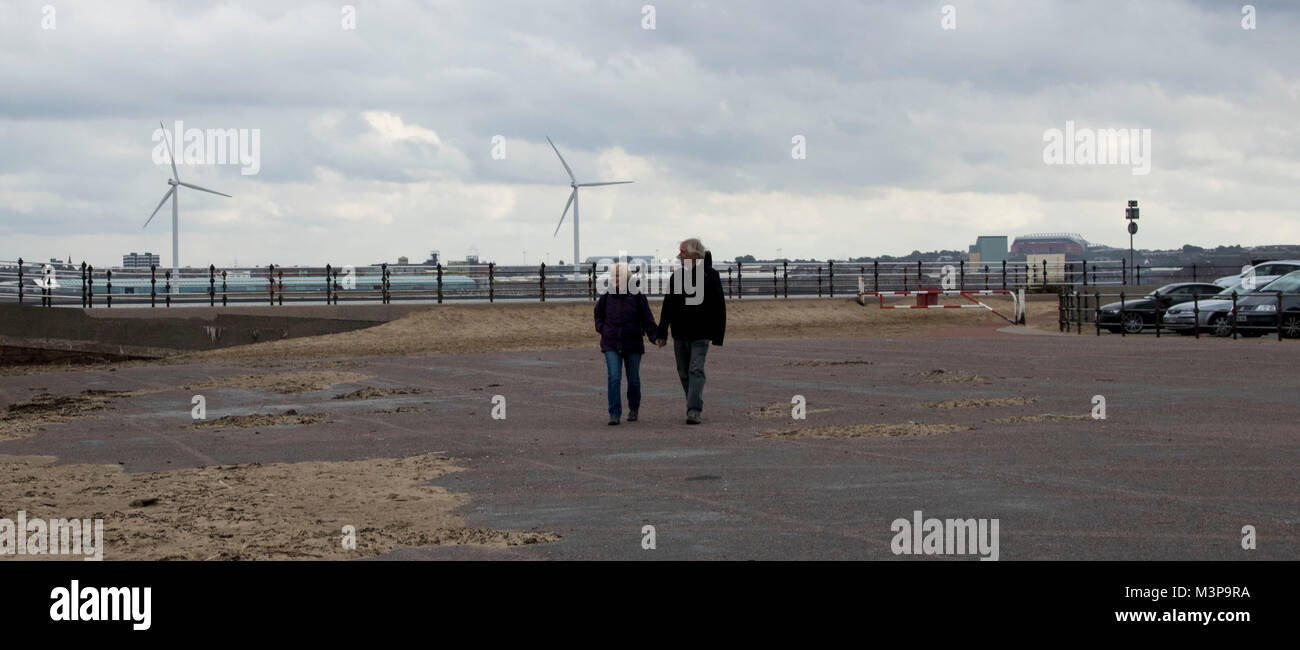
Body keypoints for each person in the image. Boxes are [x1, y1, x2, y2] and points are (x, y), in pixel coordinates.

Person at [655, 238, 726, 425]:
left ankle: (694, 409)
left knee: (696, 369)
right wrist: (661, 333)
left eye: (683, 252)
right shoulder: (677, 277)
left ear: (695, 255)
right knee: (684, 372)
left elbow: (719, 306)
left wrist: (718, 335)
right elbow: (668, 306)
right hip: (679, 333)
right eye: (680, 252)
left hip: (701, 334)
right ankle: (693, 402)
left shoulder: (710, 276)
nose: (680, 255)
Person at [594, 262, 658, 425]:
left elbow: (647, 319)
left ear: (627, 277)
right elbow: (598, 315)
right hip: (611, 342)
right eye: (614, 275)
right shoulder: (606, 296)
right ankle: (614, 413)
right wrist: (603, 329)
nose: (616, 278)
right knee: (614, 377)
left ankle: (634, 408)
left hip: (633, 342)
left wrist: (655, 336)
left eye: (619, 275)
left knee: (633, 380)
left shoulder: (637, 296)